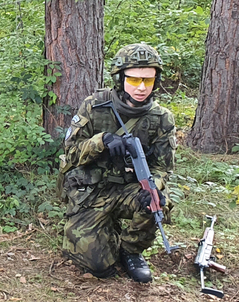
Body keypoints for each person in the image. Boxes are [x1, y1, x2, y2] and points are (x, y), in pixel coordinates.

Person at [60, 43, 176, 283]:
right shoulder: (95, 106)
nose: (142, 88)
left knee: (155, 203)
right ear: (120, 78)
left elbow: (162, 167)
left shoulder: (161, 118)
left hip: (127, 189)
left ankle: (131, 250)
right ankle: (103, 229)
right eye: (134, 80)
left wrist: (154, 185)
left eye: (148, 80)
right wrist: (101, 142)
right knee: (98, 266)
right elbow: (70, 154)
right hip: (92, 190)